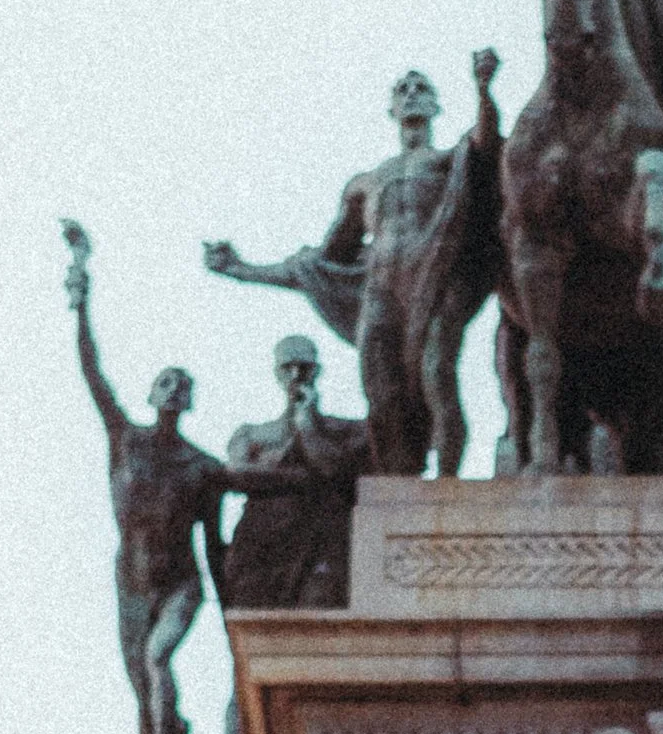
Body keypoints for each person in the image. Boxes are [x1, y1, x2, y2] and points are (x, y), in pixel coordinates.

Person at [204, 59, 502, 477]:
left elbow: (486, 142)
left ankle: (447, 483)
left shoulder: (450, 160)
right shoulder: (365, 183)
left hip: (433, 281)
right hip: (381, 290)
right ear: (391, 110)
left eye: (420, 88)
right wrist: (242, 269)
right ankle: (399, 482)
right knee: (381, 393)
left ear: (435, 106)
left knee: (437, 374)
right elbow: (321, 261)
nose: (411, 94)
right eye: (402, 89)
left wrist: (483, 89)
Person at [63, 221, 251, 734]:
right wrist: (81, 297)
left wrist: (230, 607)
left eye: (182, 386)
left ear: (189, 402)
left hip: (179, 583)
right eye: (165, 383)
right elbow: (92, 370)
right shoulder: (125, 439)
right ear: (151, 395)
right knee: (140, 684)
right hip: (131, 578)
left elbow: (212, 540)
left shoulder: (201, 467)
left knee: (157, 657)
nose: (173, 390)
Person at [217, 335, 367, 623]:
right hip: (262, 544)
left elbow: (333, 467)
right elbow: (236, 475)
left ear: (316, 371)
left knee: (316, 622)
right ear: (277, 373)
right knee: (258, 627)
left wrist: (307, 426)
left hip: (321, 544)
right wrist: (300, 477)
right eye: (288, 368)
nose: (296, 375)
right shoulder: (252, 434)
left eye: (304, 367)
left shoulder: (344, 430)